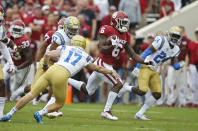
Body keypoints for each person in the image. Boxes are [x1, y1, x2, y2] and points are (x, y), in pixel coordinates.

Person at [0, 35, 121, 124]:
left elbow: (47, 55)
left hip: (52, 70)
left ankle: (10, 113)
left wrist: (46, 66)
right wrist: (111, 71)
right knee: (59, 103)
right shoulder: (85, 56)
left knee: (32, 94)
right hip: (62, 74)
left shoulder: (65, 48)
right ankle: (40, 113)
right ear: (84, 45)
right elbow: (97, 68)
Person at [69, 11, 151, 120]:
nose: (124, 25)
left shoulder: (125, 35)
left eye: (125, 23)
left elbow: (133, 54)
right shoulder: (107, 29)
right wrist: (112, 45)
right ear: (115, 22)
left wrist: (145, 61)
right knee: (118, 83)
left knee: (88, 90)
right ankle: (106, 111)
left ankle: (66, 79)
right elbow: (102, 49)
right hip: (102, 63)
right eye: (122, 23)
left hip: (107, 64)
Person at [120, 26, 184, 120]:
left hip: (154, 69)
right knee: (142, 91)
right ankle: (125, 87)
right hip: (145, 66)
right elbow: (145, 53)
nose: (175, 38)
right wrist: (138, 67)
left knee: (157, 94)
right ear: (169, 35)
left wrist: (179, 65)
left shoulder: (176, 49)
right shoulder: (161, 41)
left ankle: (140, 113)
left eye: (177, 37)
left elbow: (174, 64)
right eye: (173, 35)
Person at [3, 20, 33, 102]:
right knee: (1, 78)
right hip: (11, 63)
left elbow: (30, 60)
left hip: (23, 66)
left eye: (18, 30)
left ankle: (15, 99)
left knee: (15, 88)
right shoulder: (7, 36)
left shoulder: (24, 41)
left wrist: (17, 67)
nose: (16, 32)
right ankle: (2, 99)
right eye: (14, 29)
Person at [0, 6, 15, 118]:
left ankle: (0, 113)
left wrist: (10, 62)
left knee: (2, 84)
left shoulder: (1, 28)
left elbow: (2, 46)